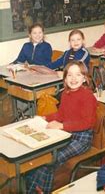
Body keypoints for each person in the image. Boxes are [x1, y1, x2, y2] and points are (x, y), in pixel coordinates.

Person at [26, 61, 97, 193]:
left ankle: (41, 188)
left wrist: (62, 125)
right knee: (39, 155)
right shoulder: (65, 93)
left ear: (85, 78)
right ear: (64, 78)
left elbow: (87, 122)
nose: (74, 79)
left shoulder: (87, 96)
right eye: (69, 75)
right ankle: (34, 186)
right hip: (66, 133)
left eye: (78, 75)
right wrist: (46, 118)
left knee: (51, 159)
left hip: (82, 138)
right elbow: (61, 114)